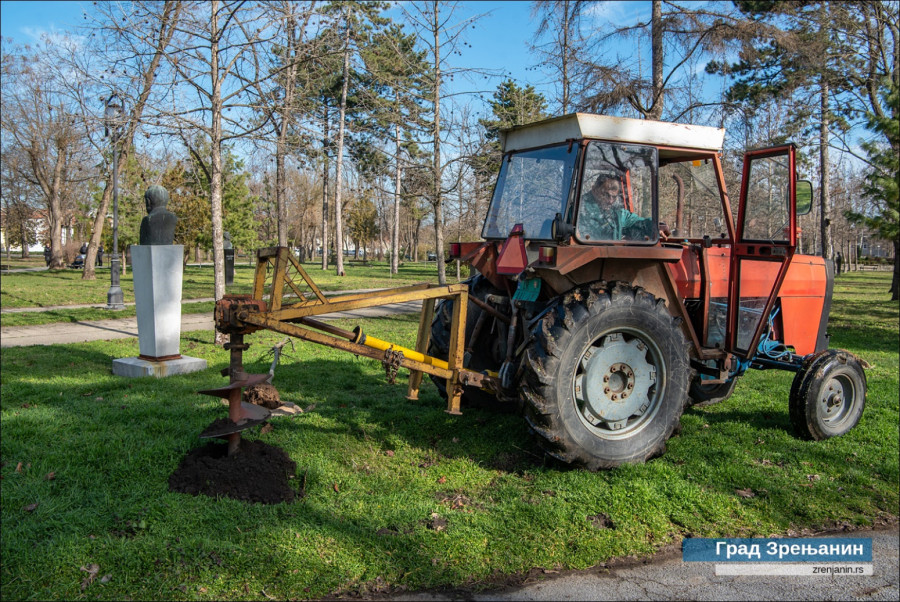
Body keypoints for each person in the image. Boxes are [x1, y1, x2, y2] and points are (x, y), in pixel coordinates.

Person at [579, 172, 669, 241]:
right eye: (606, 195)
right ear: (594, 190)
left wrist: (654, 226)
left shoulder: (615, 212)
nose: (610, 201)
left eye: (614, 197)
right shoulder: (580, 211)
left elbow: (635, 221)